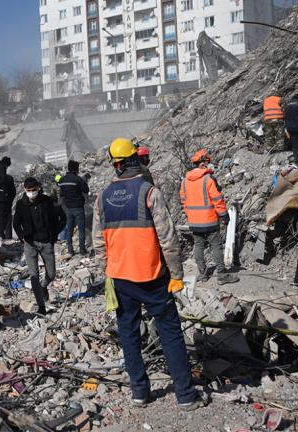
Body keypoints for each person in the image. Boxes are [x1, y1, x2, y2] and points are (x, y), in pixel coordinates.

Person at [93, 137, 206, 411]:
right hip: (152, 276)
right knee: (170, 333)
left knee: (129, 334)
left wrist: (107, 271)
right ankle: (186, 396)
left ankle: (140, 393)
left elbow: (98, 243)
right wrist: (176, 274)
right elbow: (168, 238)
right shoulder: (149, 192)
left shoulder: (102, 197)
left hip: (120, 278)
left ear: (116, 165)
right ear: (134, 159)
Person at [180, 149, 239, 285]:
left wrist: (191, 215)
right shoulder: (208, 179)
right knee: (216, 246)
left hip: (194, 221)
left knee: (198, 245)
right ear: (201, 164)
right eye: (206, 163)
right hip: (210, 220)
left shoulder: (184, 182)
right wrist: (224, 215)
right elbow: (217, 199)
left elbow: (183, 201)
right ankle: (222, 275)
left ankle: (202, 274)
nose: (208, 166)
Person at [13, 177, 66, 315]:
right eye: (29, 190)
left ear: (38, 188)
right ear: (25, 190)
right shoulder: (20, 204)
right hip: (30, 244)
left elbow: (61, 218)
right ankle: (41, 305)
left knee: (52, 274)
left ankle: (44, 286)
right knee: (34, 276)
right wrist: (22, 237)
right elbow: (16, 223)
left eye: (34, 190)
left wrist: (54, 235)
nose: (32, 192)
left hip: (46, 242)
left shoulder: (47, 201)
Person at [58, 160, 90, 255]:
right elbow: (86, 190)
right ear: (76, 169)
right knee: (81, 229)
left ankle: (70, 250)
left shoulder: (62, 180)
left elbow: (61, 194)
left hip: (68, 208)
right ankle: (82, 250)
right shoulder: (78, 179)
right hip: (78, 208)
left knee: (69, 229)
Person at [4, 173, 17, 241]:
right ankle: (8, 236)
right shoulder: (9, 178)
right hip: (8, 202)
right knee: (8, 219)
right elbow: (13, 192)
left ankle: (1, 235)